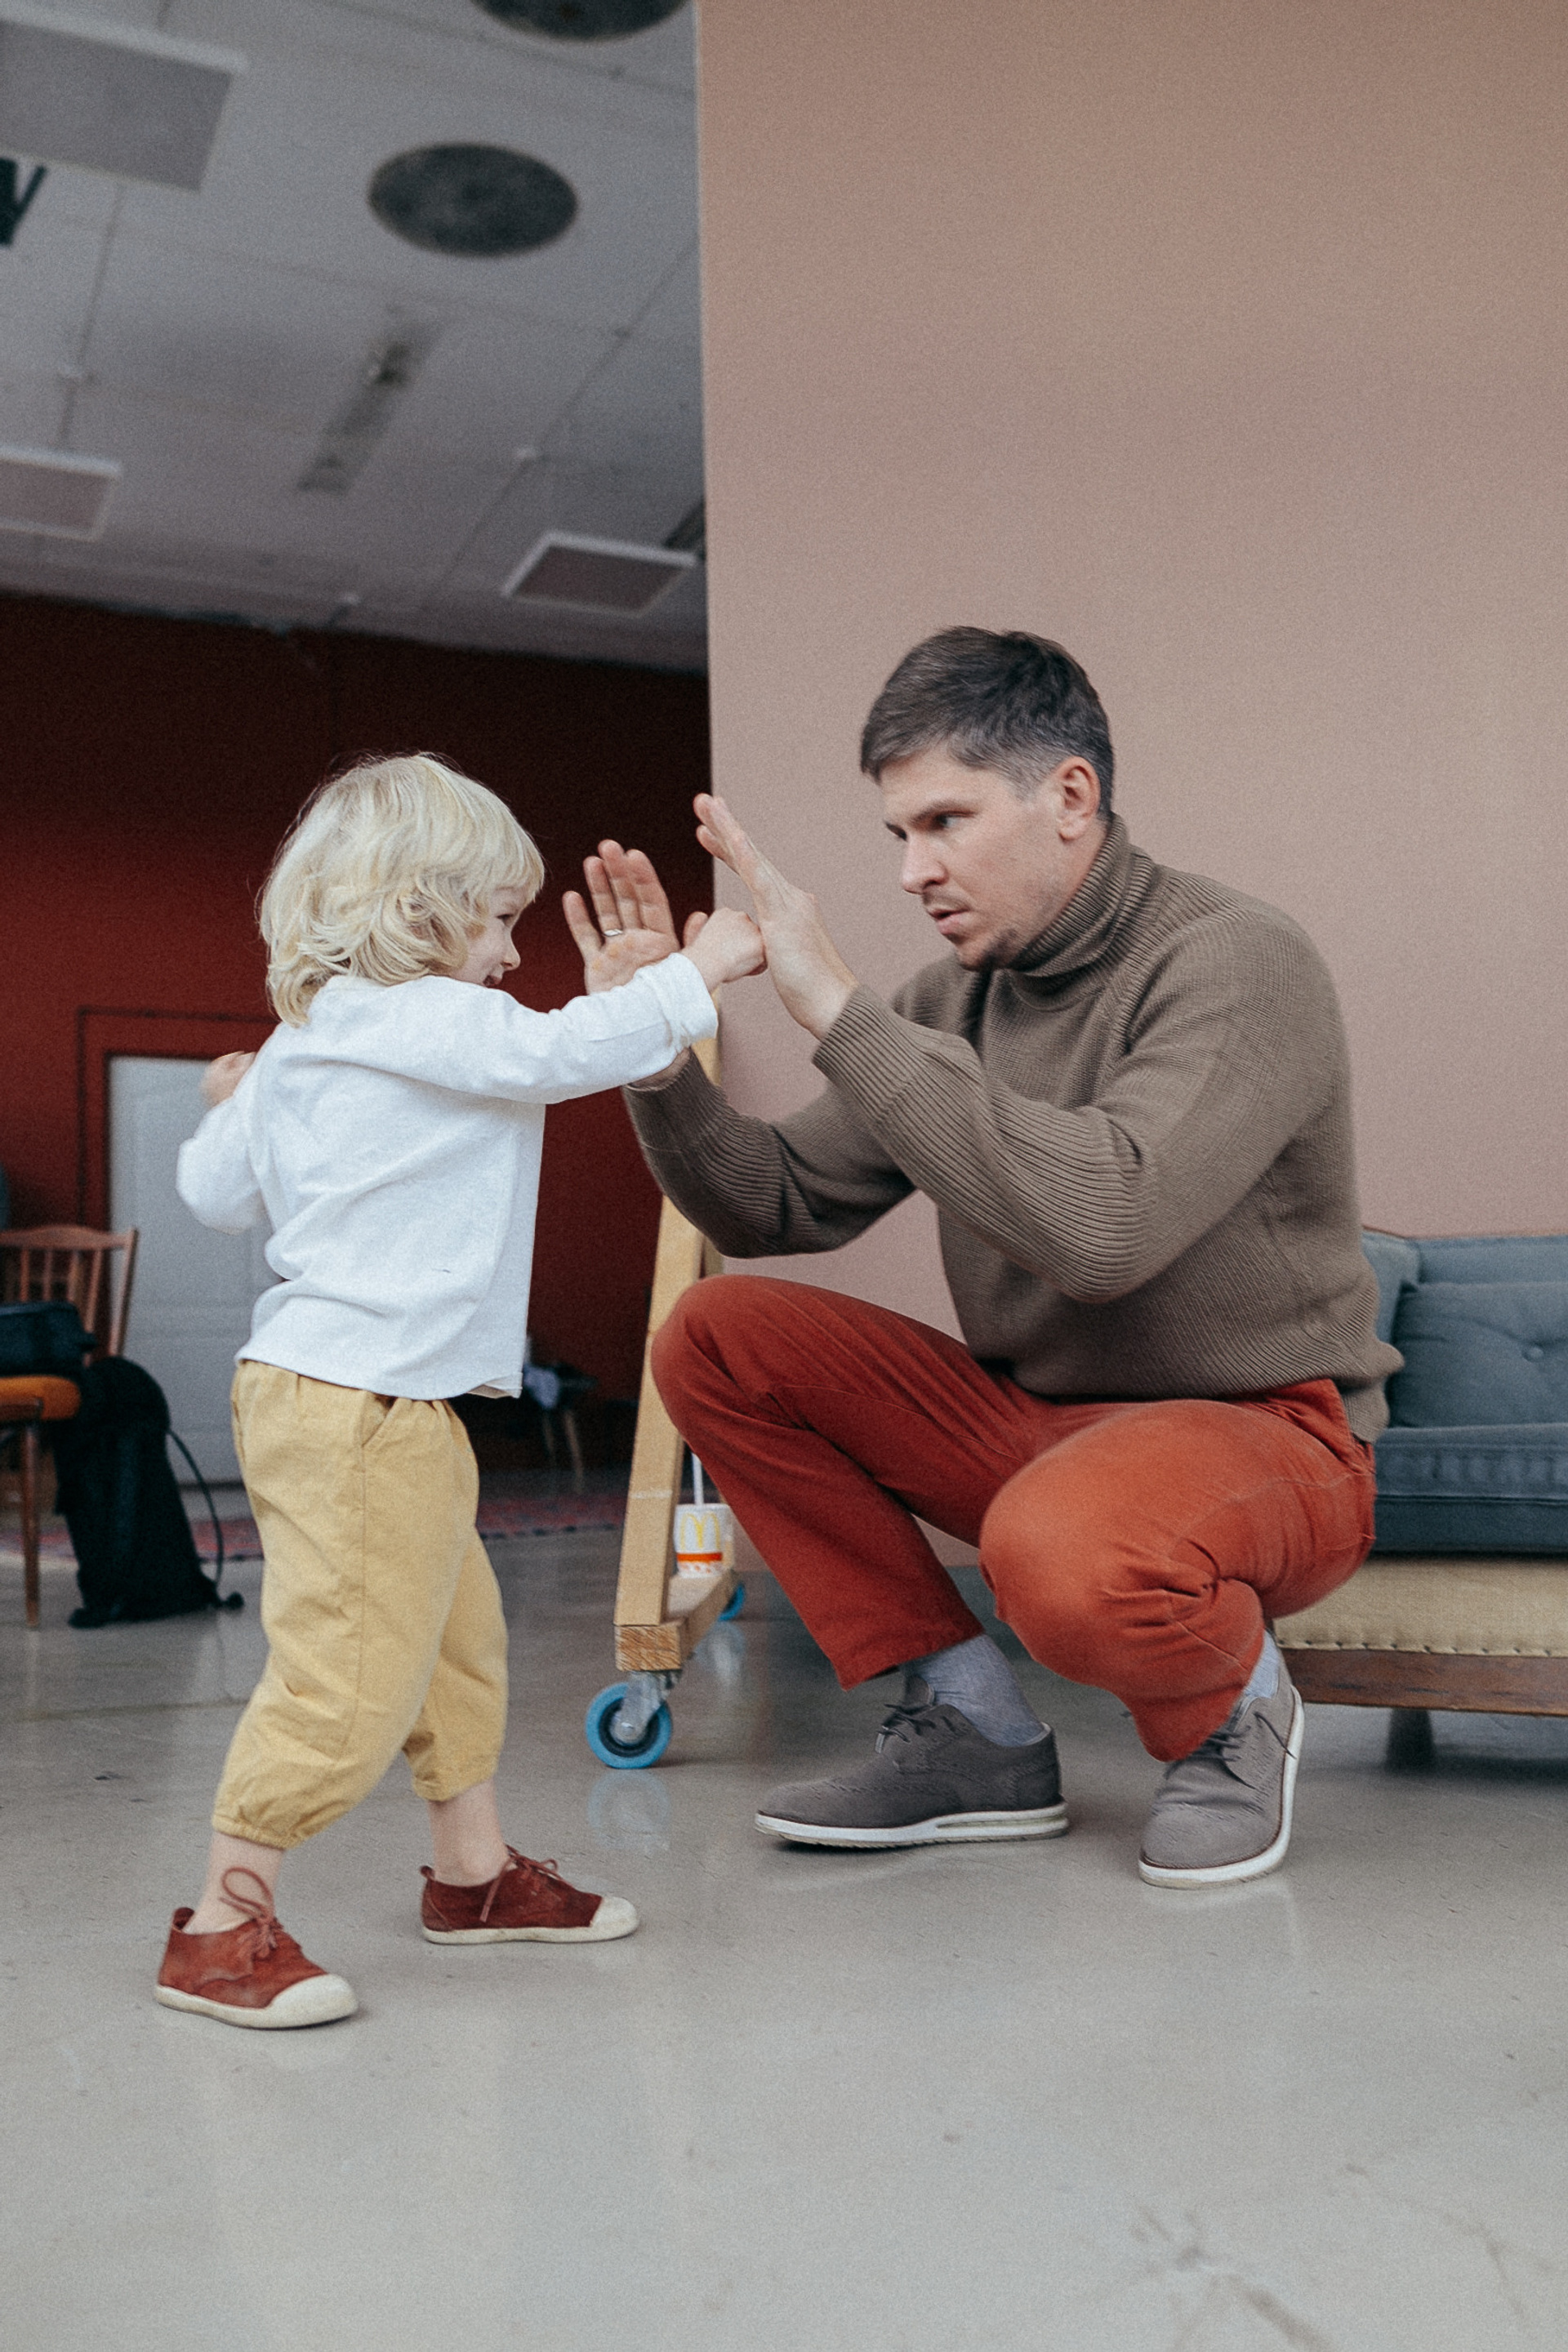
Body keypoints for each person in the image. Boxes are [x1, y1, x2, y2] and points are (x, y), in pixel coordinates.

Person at [614, 628, 1399, 1887]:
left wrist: (841, 1018)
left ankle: (1230, 1721)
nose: (916, 871)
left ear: (1070, 799)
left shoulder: (1238, 961)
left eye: (945, 822)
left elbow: (1108, 1232)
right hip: (1045, 1433)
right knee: (717, 1337)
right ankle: (970, 1725)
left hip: (1271, 1441)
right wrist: (654, 1054)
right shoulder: (945, 1006)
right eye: (898, 837)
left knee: (1061, 1543)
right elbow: (770, 1204)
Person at [158, 753, 762, 2027]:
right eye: (493, 918)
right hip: (359, 1404)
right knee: (347, 1673)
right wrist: (694, 976)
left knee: (450, 1647)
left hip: (364, 1403)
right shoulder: (424, 1015)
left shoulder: (302, 1040)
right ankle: (221, 1922)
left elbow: (211, 1196)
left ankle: (473, 1876)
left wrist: (230, 1102)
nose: (505, 950)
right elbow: (559, 1052)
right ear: (416, 910)